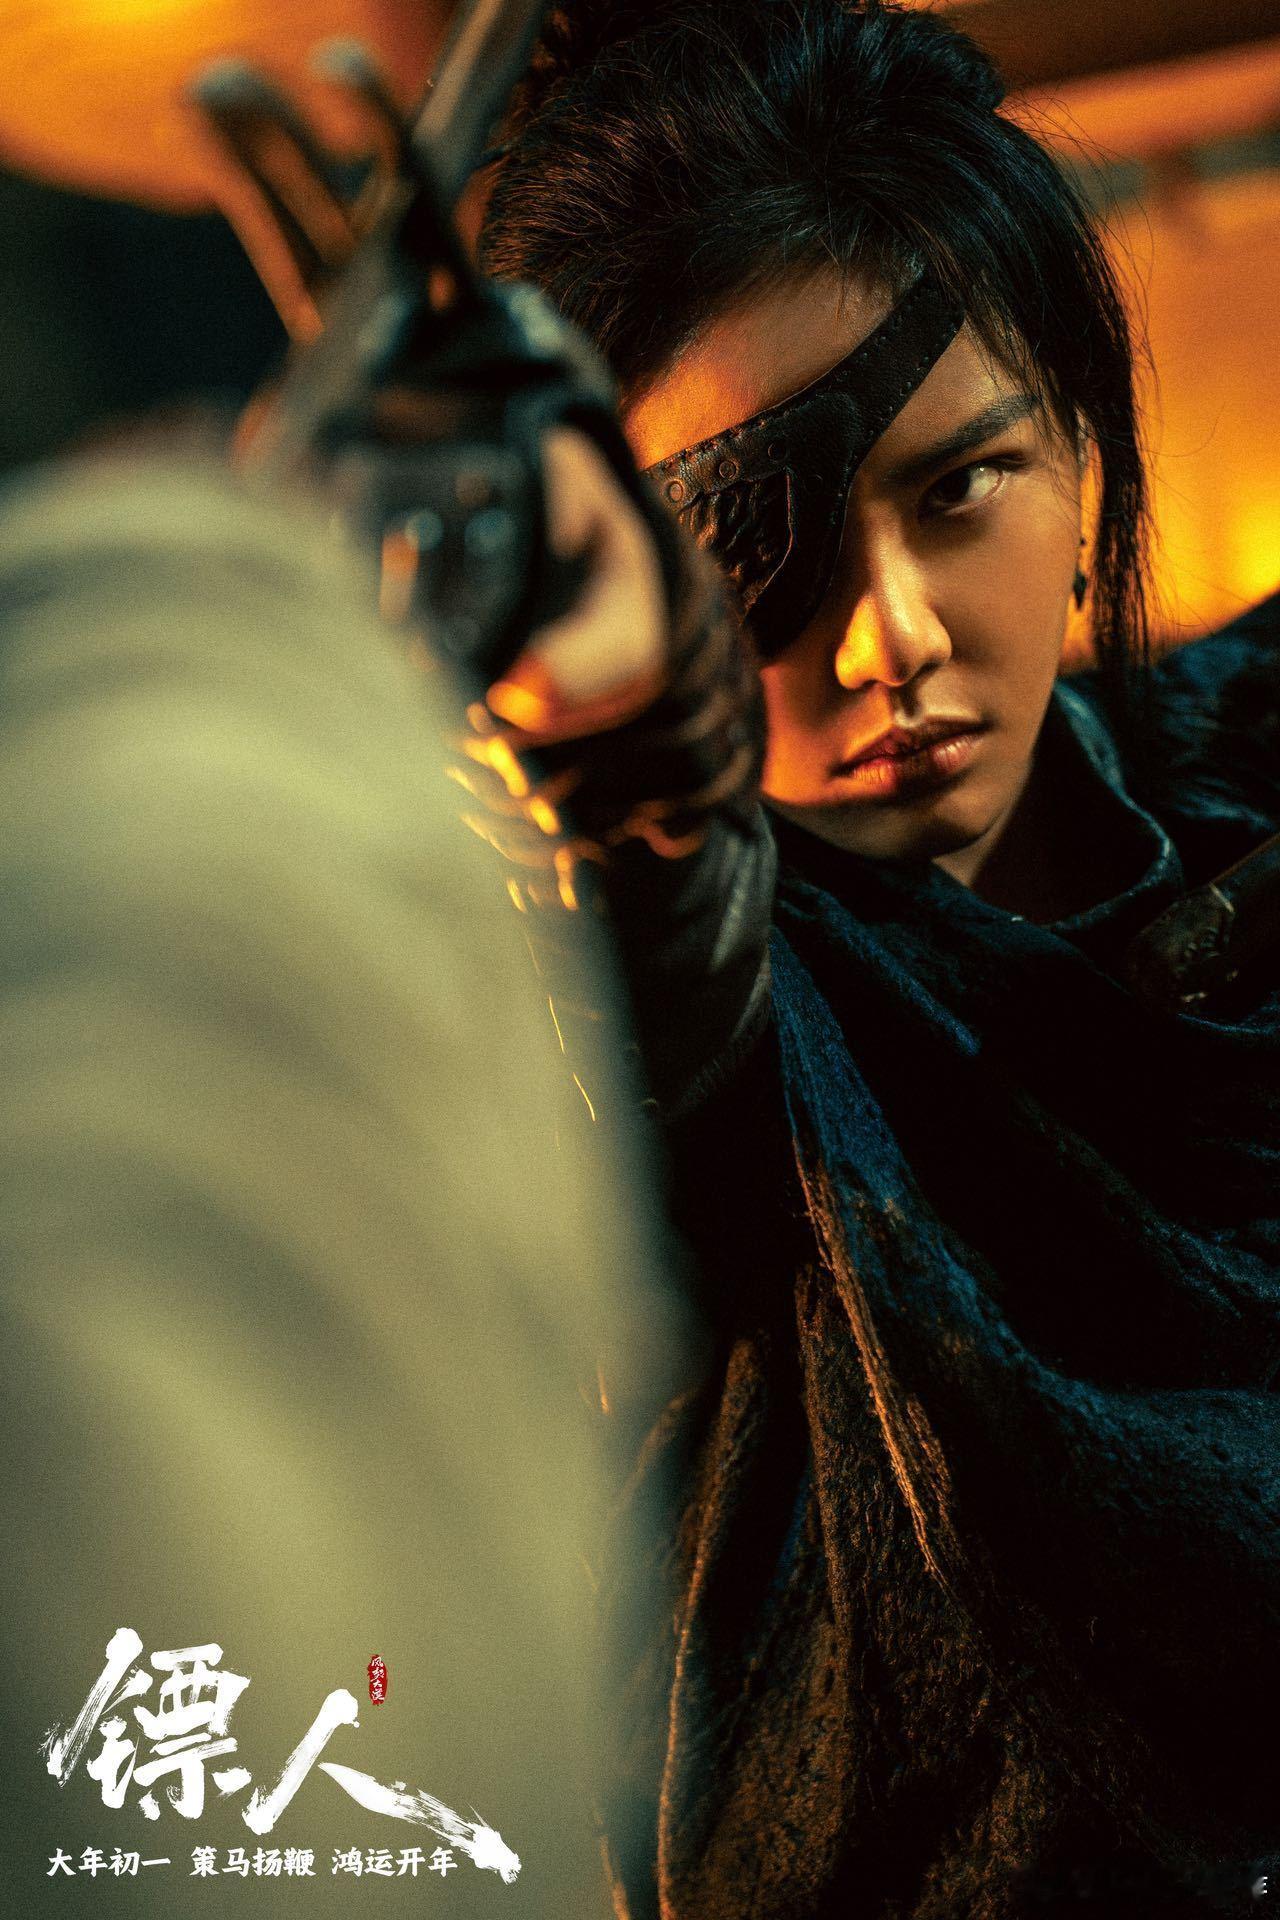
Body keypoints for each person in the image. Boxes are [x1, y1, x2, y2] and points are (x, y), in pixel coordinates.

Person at [462, 2, 1280, 1915]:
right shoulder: (703, 1034)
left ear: (1081, 457)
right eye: (757, 553)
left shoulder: (1236, 790)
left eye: (960, 487)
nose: (890, 638)